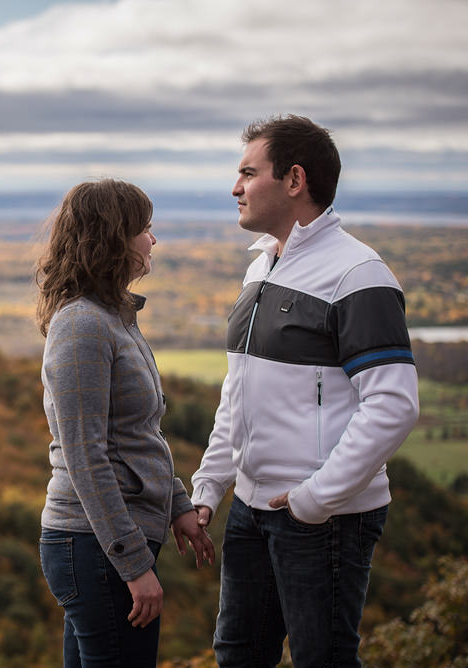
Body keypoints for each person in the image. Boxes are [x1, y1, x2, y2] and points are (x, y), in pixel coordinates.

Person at [190, 115, 420, 667]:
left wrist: (316, 500)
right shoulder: (261, 269)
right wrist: (210, 485)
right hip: (250, 506)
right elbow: (238, 394)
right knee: (238, 655)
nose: (235, 187)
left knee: (323, 659)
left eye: (249, 172)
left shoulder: (357, 274)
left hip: (324, 519)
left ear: (294, 180)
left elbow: (393, 404)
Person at [36, 178, 215, 667]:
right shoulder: (82, 325)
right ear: (113, 238)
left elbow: (139, 435)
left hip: (105, 545)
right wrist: (134, 565)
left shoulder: (113, 320)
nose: (153, 240)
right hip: (93, 547)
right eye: (145, 229)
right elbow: (86, 456)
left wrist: (177, 502)